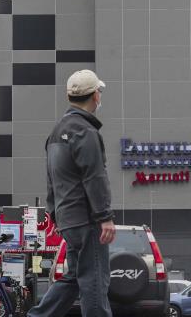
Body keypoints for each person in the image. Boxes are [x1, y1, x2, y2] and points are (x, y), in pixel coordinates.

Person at [28, 70, 116, 317]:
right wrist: (104, 217)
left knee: (74, 277)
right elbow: (95, 177)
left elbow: (51, 179)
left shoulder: (57, 131)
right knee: (95, 283)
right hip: (87, 220)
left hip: (68, 219)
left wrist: (55, 215)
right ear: (95, 96)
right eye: (99, 92)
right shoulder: (86, 132)